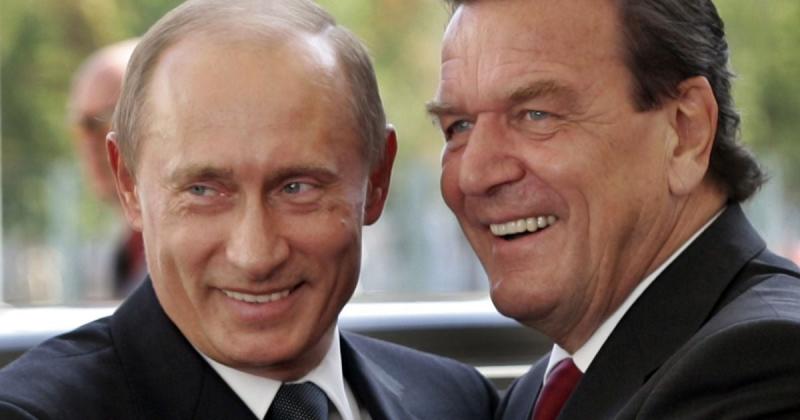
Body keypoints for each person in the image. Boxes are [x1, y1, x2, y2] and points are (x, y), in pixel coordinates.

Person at [0, 0, 498, 418]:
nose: (255, 255)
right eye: (203, 191)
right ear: (128, 184)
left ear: (377, 179)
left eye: (297, 188)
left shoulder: (458, 403)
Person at [427, 0, 800, 418]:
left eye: (536, 115)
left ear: (686, 132)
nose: (474, 175)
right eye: (458, 126)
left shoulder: (768, 368)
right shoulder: (535, 395)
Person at [68, 39, 146, 297]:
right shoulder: (124, 255)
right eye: (82, 126)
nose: (92, 142)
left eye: (107, 119)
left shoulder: (184, 252)